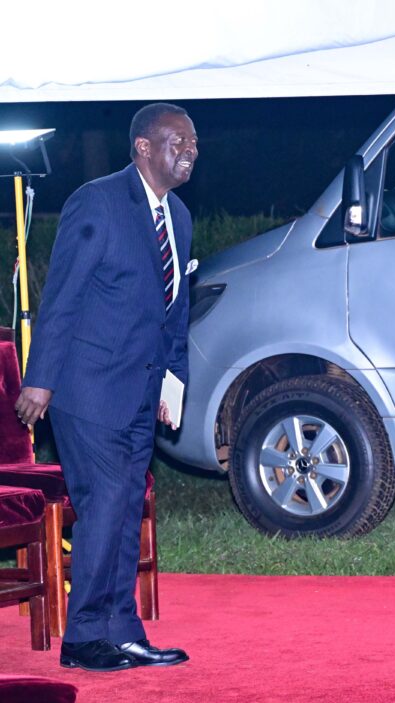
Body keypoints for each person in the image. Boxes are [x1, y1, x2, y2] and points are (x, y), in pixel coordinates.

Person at [15, 103, 198, 672]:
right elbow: (63, 296)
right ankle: (86, 637)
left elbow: (174, 311)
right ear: (143, 148)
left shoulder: (180, 216)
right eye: (176, 142)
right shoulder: (97, 202)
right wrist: (39, 381)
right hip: (88, 390)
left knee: (122, 512)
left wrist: (175, 384)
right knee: (106, 506)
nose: (189, 151)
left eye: (193, 143)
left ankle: (122, 632)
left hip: (141, 392)